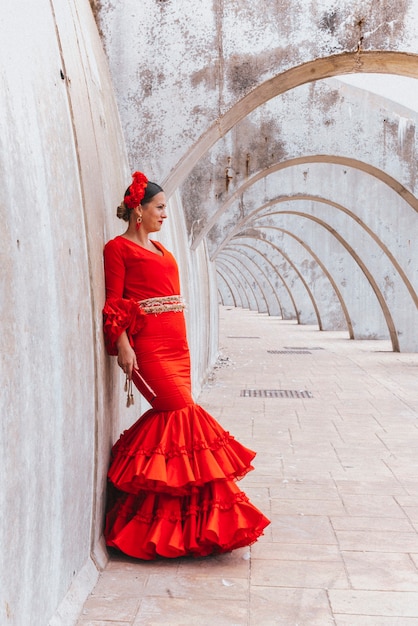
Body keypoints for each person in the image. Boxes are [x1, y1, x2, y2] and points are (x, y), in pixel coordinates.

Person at [102, 171, 270, 560]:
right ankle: (188, 525)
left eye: (165, 210)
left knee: (178, 420)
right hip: (149, 348)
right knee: (179, 413)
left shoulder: (164, 252)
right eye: (159, 208)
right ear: (138, 210)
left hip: (177, 345)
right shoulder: (117, 249)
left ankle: (178, 525)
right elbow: (113, 304)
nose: (163, 215)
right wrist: (123, 345)